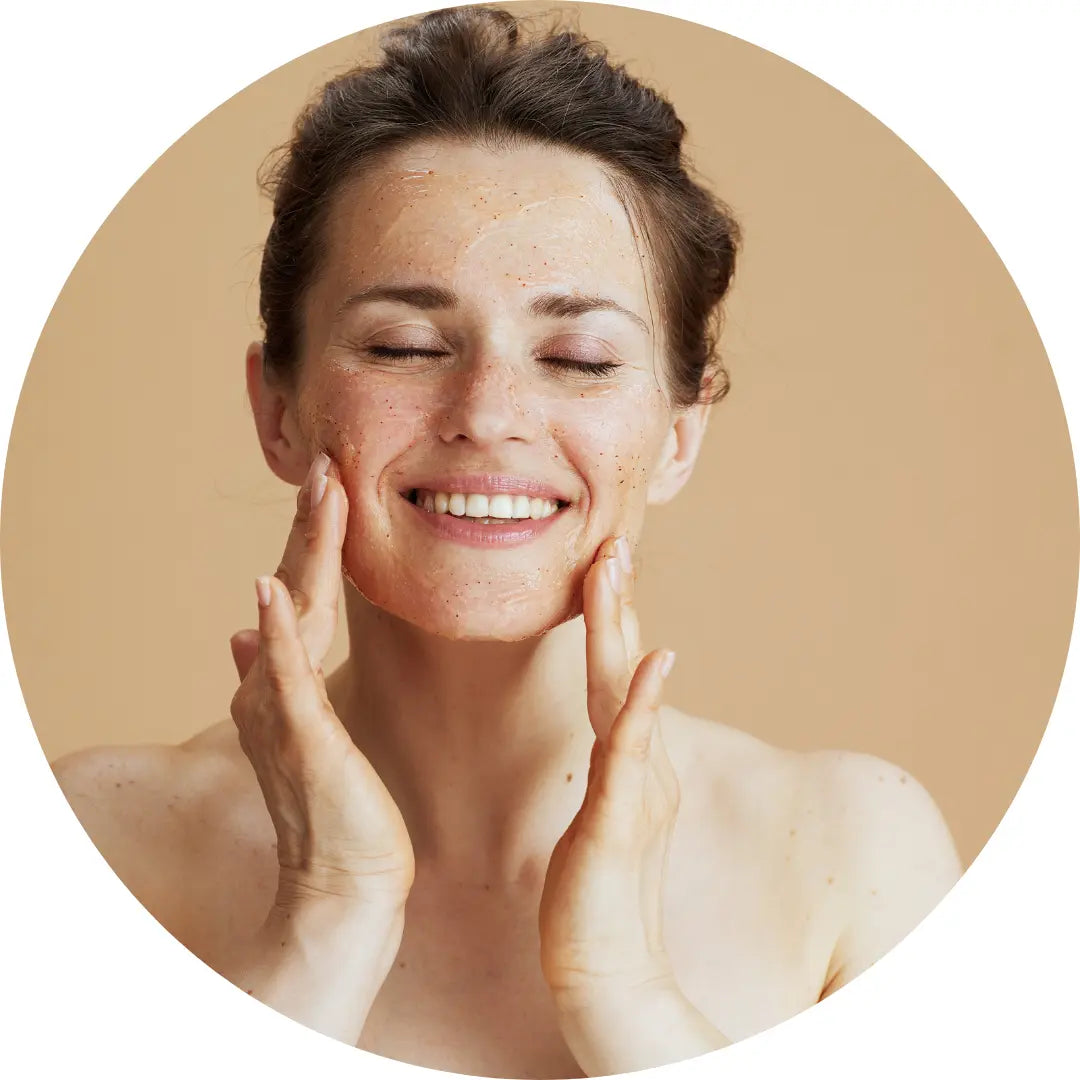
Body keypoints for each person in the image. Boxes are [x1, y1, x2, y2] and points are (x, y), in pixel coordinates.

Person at [50, 7, 961, 1077]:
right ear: (279, 410)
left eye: (577, 357)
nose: (489, 413)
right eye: (404, 344)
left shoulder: (851, 855)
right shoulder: (98, 842)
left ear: (678, 434)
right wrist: (327, 915)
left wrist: (620, 987)